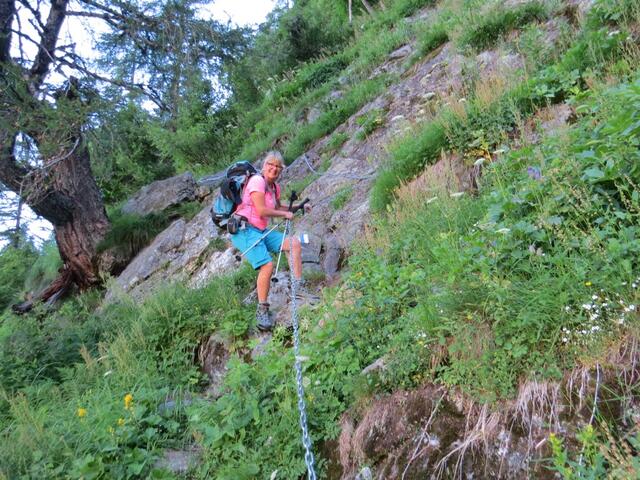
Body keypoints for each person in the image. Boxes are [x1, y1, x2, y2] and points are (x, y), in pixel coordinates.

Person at [230, 151, 307, 331]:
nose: (274, 168)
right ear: (264, 166)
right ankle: (262, 310)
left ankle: (299, 288)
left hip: (261, 230)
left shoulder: (274, 187)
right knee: (267, 265)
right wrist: (284, 215)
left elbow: (279, 207)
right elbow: (262, 210)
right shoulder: (257, 181)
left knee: (293, 243)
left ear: (281, 170)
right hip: (244, 230)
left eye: (278, 166)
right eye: (270, 165)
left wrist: (300, 206)